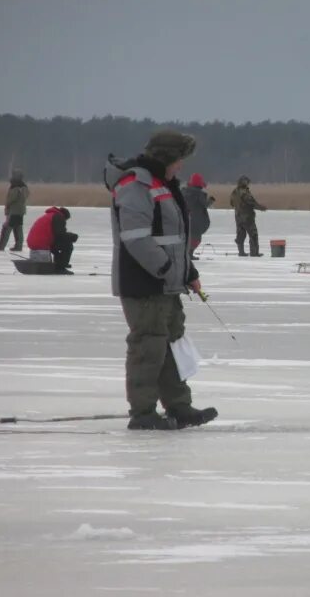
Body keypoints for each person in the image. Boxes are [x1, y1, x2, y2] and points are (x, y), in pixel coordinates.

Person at [104, 129, 217, 431]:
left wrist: (188, 272)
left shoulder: (164, 184)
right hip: (144, 283)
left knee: (172, 343)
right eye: (179, 159)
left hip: (167, 282)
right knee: (148, 346)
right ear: (167, 157)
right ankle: (143, 413)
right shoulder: (135, 185)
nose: (182, 165)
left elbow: (175, 241)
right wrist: (168, 269)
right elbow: (137, 239)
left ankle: (179, 406)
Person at [26, 206, 78, 274]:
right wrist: (72, 237)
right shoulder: (58, 217)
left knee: (56, 246)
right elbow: (59, 234)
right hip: (42, 242)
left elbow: (56, 235)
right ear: (64, 216)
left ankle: (59, 264)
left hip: (33, 242)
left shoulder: (49, 215)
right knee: (68, 245)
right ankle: (60, 268)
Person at [229, 175, 267, 257]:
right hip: (247, 217)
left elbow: (231, 203)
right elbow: (251, 202)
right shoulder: (245, 192)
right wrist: (261, 207)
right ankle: (254, 252)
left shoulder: (234, 192)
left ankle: (241, 252)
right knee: (253, 234)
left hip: (238, 216)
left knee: (241, 234)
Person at [0, 168, 29, 251]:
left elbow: (10, 200)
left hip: (13, 211)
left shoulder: (15, 187)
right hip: (21, 211)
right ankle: (18, 246)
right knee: (18, 228)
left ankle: (1, 245)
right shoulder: (24, 187)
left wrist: (7, 208)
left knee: (7, 228)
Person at [181, 172, 214, 260]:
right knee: (196, 239)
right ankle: (189, 254)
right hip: (196, 220)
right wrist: (211, 200)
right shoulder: (199, 194)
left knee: (187, 237)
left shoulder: (183, 192)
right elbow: (205, 204)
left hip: (184, 219)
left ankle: (186, 253)